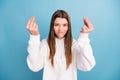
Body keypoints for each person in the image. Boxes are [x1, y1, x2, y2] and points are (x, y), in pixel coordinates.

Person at [26, 10, 96, 80]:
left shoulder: (74, 45)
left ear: (69, 27)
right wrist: (34, 37)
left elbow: (87, 66)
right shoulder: (45, 44)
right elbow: (34, 66)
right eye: (56, 25)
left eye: (64, 25)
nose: (60, 29)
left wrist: (84, 37)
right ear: (52, 26)